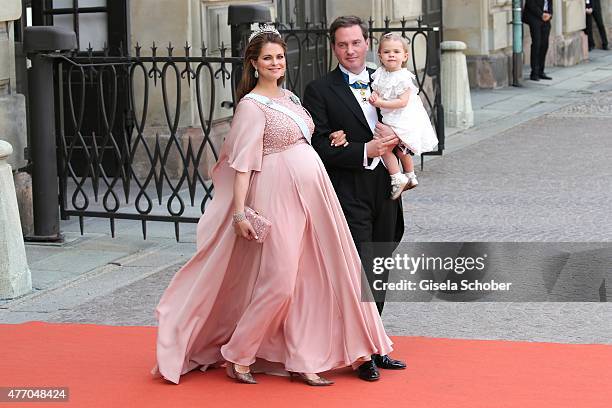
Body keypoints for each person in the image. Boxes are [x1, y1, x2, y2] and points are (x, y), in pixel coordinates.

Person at [150, 25, 394, 387]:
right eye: (268, 58)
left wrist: (335, 138)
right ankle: (238, 353)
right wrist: (239, 212)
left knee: (308, 278)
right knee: (279, 281)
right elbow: (243, 163)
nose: (276, 63)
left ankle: (302, 358)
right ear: (254, 63)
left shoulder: (293, 100)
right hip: (275, 194)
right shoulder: (251, 106)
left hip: (314, 194)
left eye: (279, 57)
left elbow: (307, 140)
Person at [303, 16, 407, 382]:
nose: (350, 50)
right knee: (360, 268)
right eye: (342, 45)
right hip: (348, 191)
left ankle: (376, 344)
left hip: (386, 188)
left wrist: (401, 141)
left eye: (356, 43)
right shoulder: (319, 90)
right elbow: (316, 146)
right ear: (334, 48)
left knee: (380, 264)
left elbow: (409, 121)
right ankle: (361, 353)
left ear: (367, 43)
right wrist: (364, 149)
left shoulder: (389, 79)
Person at [369, 33, 438, 200]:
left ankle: (398, 177)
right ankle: (410, 176)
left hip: (401, 117)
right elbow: (377, 90)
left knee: (385, 147)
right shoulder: (380, 74)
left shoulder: (404, 77)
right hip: (390, 117)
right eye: (386, 52)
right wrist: (373, 96)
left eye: (396, 52)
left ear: (405, 56)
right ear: (380, 56)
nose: (391, 55)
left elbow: (402, 102)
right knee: (399, 149)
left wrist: (380, 103)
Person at [523, 0, 554, 81]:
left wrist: (550, 14)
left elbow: (550, 3)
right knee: (537, 44)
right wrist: (541, 14)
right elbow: (530, 3)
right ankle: (534, 73)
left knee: (544, 45)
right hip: (534, 17)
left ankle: (541, 71)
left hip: (546, 18)